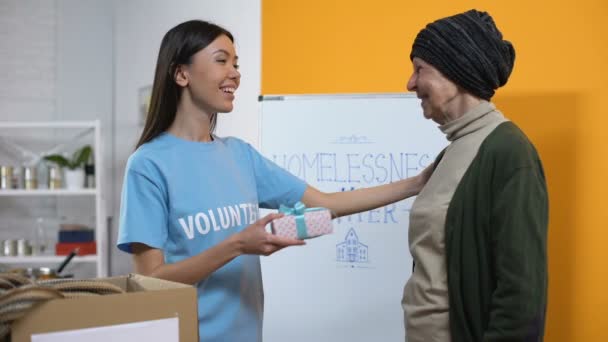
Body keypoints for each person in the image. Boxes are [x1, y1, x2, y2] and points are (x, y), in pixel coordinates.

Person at [116, 20, 431, 342]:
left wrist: (417, 183)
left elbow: (327, 205)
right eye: (221, 60)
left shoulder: (239, 155)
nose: (235, 73)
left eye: (236, 64)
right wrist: (238, 245)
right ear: (181, 74)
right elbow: (150, 280)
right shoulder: (149, 165)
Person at [401, 9, 548, 342]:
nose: (410, 83)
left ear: (455, 71)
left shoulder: (508, 152)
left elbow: (521, 296)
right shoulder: (453, 151)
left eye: (419, 69)